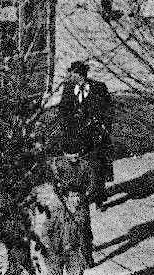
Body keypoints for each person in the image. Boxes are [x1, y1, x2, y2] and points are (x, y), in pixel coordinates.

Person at [58, 60, 113, 207]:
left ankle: (99, 197)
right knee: (80, 167)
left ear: (80, 75)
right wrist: (68, 126)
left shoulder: (99, 88)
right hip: (77, 135)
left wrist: (104, 129)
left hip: (95, 135)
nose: (70, 76)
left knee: (97, 166)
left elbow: (108, 110)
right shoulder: (68, 88)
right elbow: (63, 110)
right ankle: (84, 195)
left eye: (73, 74)